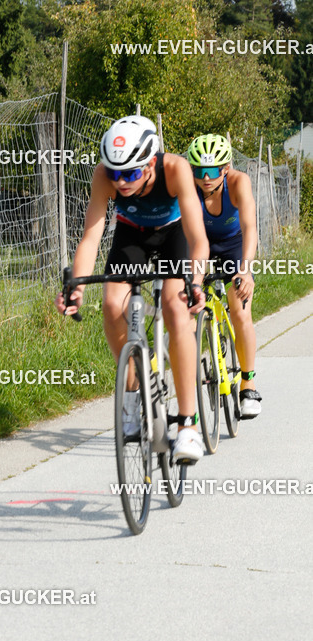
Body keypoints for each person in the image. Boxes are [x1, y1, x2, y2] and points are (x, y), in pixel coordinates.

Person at [57, 114, 210, 463]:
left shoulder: (175, 169)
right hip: (132, 234)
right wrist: (77, 287)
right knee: (112, 304)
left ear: (150, 162)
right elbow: (92, 236)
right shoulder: (104, 175)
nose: (121, 182)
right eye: (115, 173)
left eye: (130, 173)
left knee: (174, 307)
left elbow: (198, 239)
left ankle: (188, 426)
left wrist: (195, 282)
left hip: (174, 234)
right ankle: (130, 398)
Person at [187, 133, 261, 418]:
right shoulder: (188, 187)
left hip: (233, 245)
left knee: (240, 310)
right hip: (199, 244)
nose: (206, 178)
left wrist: (245, 269)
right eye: (199, 171)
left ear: (226, 168)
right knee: (189, 303)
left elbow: (250, 227)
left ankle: (248, 383)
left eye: (213, 170)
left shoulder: (238, 182)